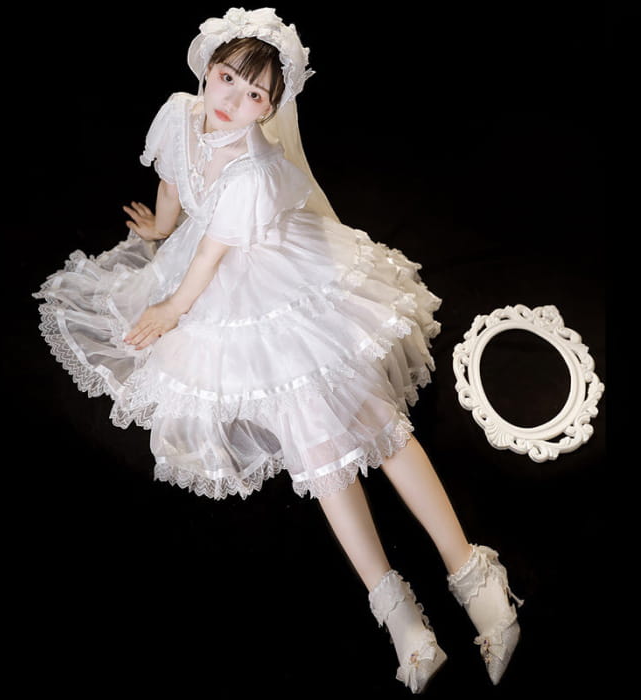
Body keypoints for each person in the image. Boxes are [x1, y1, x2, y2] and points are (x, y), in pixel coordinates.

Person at [34, 8, 523, 693]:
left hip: (267, 271)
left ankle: (471, 568)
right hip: (208, 264)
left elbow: (212, 257)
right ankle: (395, 608)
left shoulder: (255, 168)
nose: (233, 100)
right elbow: (174, 182)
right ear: (208, 69)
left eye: (255, 94)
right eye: (227, 79)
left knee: (369, 417)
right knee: (316, 443)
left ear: (271, 108)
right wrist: (161, 230)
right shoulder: (179, 113)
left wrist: (172, 308)